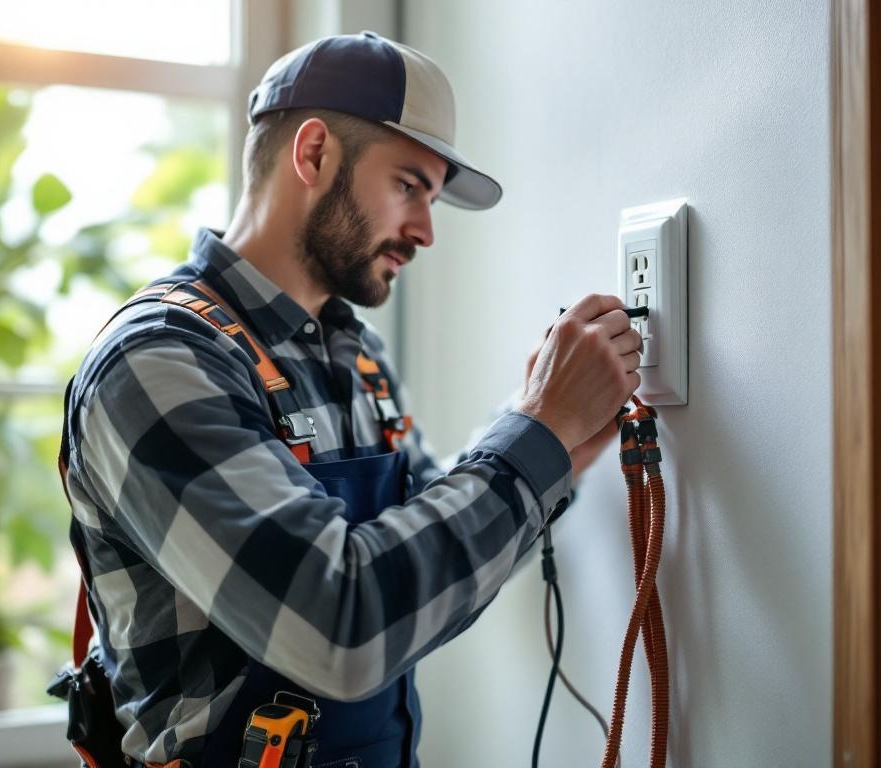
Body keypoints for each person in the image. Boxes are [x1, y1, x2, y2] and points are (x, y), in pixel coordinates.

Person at [60, 31, 642, 768]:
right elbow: (340, 625)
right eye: (408, 186)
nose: (427, 231)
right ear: (313, 155)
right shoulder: (157, 360)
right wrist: (537, 431)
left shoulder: (354, 353)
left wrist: (562, 443)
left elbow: (426, 550)